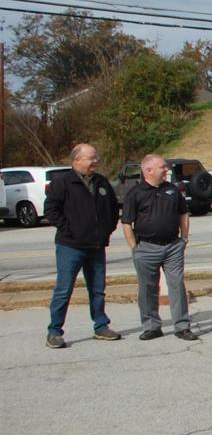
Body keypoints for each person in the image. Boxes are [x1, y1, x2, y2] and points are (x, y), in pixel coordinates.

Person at [44, 143, 121, 348]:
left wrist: (107, 230)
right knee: (64, 289)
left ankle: (101, 326)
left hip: (96, 247)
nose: (95, 161)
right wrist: (70, 230)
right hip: (70, 247)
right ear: (77, 160)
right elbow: (51, 211)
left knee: (98, 290)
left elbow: (114, 210)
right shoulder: (62, 182)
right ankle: (54, 331)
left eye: (96, 157)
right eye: (91, 158)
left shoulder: (102, 182)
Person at [121, 154, 197, 342]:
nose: (167, 170)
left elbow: (183, 214)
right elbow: (126, 222)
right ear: (148, 170)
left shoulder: (172, 190)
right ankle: (151, 326)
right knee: (147, 288)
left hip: (172, 247)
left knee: (177, 285)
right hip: (146, 248)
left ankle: (182, 326)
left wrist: (184, 239)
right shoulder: (135, 193)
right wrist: (134, 248)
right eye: (162, 167)